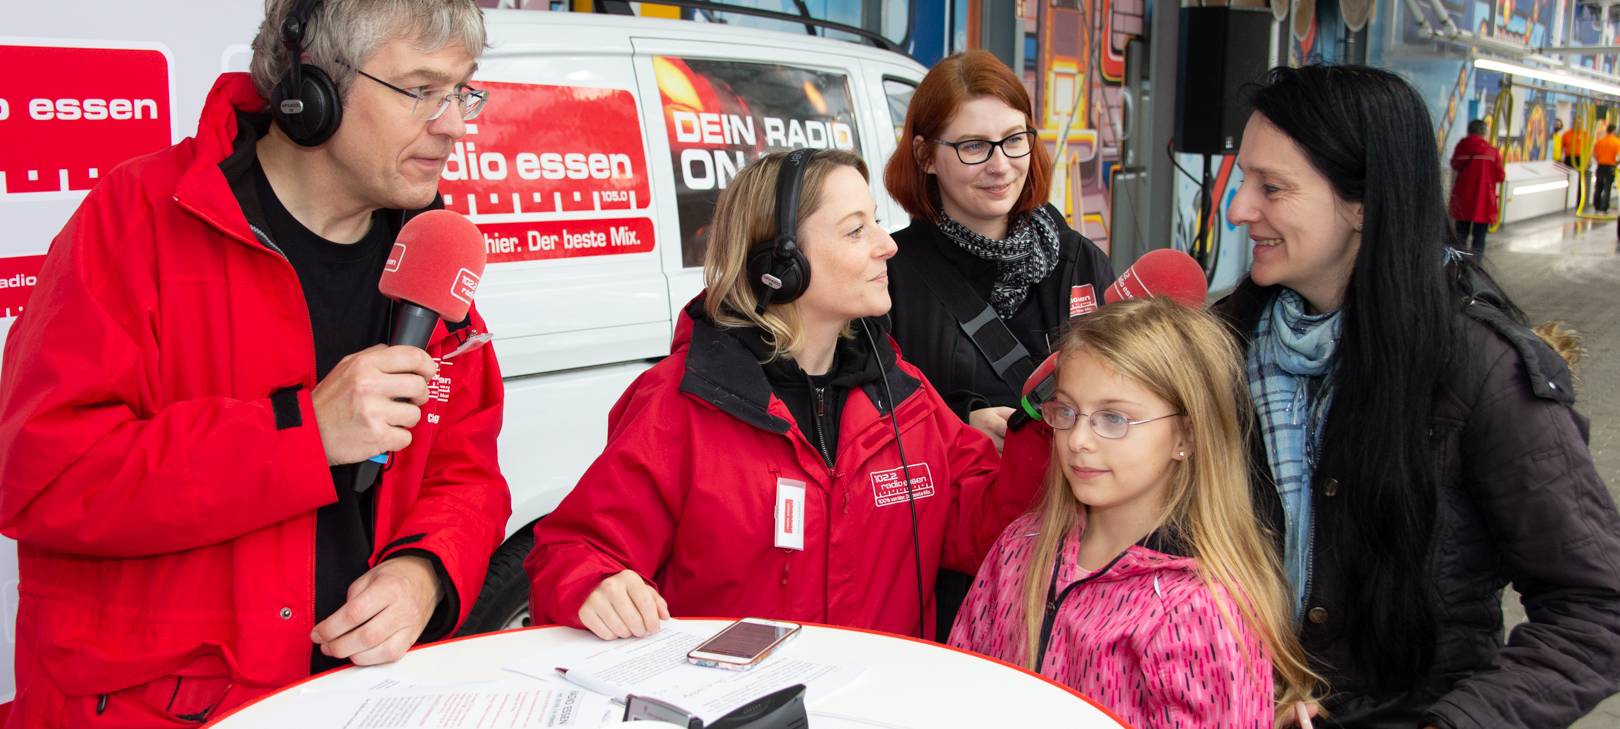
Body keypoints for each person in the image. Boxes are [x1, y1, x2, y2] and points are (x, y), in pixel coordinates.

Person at [0, 1, 511, 725]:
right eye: (420, 90)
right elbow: (43, 477)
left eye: (462, 91)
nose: (455, 123)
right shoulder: (139, 218)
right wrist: (301, 433)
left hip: (359, 699)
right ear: (311, 90)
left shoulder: (426, 255)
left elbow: (466, 472)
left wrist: (424, 570)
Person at [1220, 64, 1620, 728]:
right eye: (1243, 182)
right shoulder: (1224, 345)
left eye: (1273, 187)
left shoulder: (1482, 371)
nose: (1239, 210)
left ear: (1362, 203)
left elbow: (1596, 606)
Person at [525, 150, 1028, 641]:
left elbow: (989, 527)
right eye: (856, 230)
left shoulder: (906, 398)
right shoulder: (679, 403)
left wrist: (1048, 423)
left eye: (875, 222)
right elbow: (573, 550)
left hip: (875, 693)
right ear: (780, 261)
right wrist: (595, 584)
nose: (887, 245)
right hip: (727, 692)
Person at [949, 297, 1317, 728]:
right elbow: (959, 692)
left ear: (1186, 436)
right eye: (1066, 411)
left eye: (1114, 418)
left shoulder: (1197, 609)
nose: (1078, 440)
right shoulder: (1020, 547)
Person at [882, 48, 1114, 638]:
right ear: (924, 155)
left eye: (1014, 140)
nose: (1000, 165)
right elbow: (866, 421)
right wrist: (959, 425)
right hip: (954, 570)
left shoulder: (1080, 261)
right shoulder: (889, 275)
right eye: (973, 146)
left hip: (1074, 561)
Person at [1447, 119, 1505, 253]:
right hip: (1484, 201)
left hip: (1463, 198)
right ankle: (1476, 262)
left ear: (1469, 131)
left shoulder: (1461, 147)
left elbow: (1455, 164)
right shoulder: (1492, 152)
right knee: (1479, 238)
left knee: (1461, 235)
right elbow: (1500, 176)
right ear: (1484, 132)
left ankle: (1460, 262)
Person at [1593, 123, 1619, 212]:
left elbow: (1594, 154)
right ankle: (1604, 207)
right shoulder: (1617, 142)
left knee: (1598, 186)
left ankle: (1596, 205)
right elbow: (1618, 156)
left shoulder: (1600, 141)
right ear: (1614, 131)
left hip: (1600, 166)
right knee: (1607, 187)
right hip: (1611, 167)